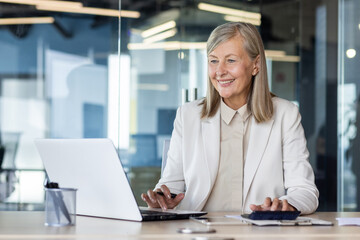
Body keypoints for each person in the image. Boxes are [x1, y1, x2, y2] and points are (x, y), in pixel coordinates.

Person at [141, 22, 319, 214]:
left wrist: (287, 205)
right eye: (213, 60)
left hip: (259, 232)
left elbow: (305, 191)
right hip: (200, 232)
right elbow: (171, 185)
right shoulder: (188, 115)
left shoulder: (286, 115)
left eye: (231, 60)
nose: (219, 71)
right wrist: (163, 199)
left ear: (256, 65)